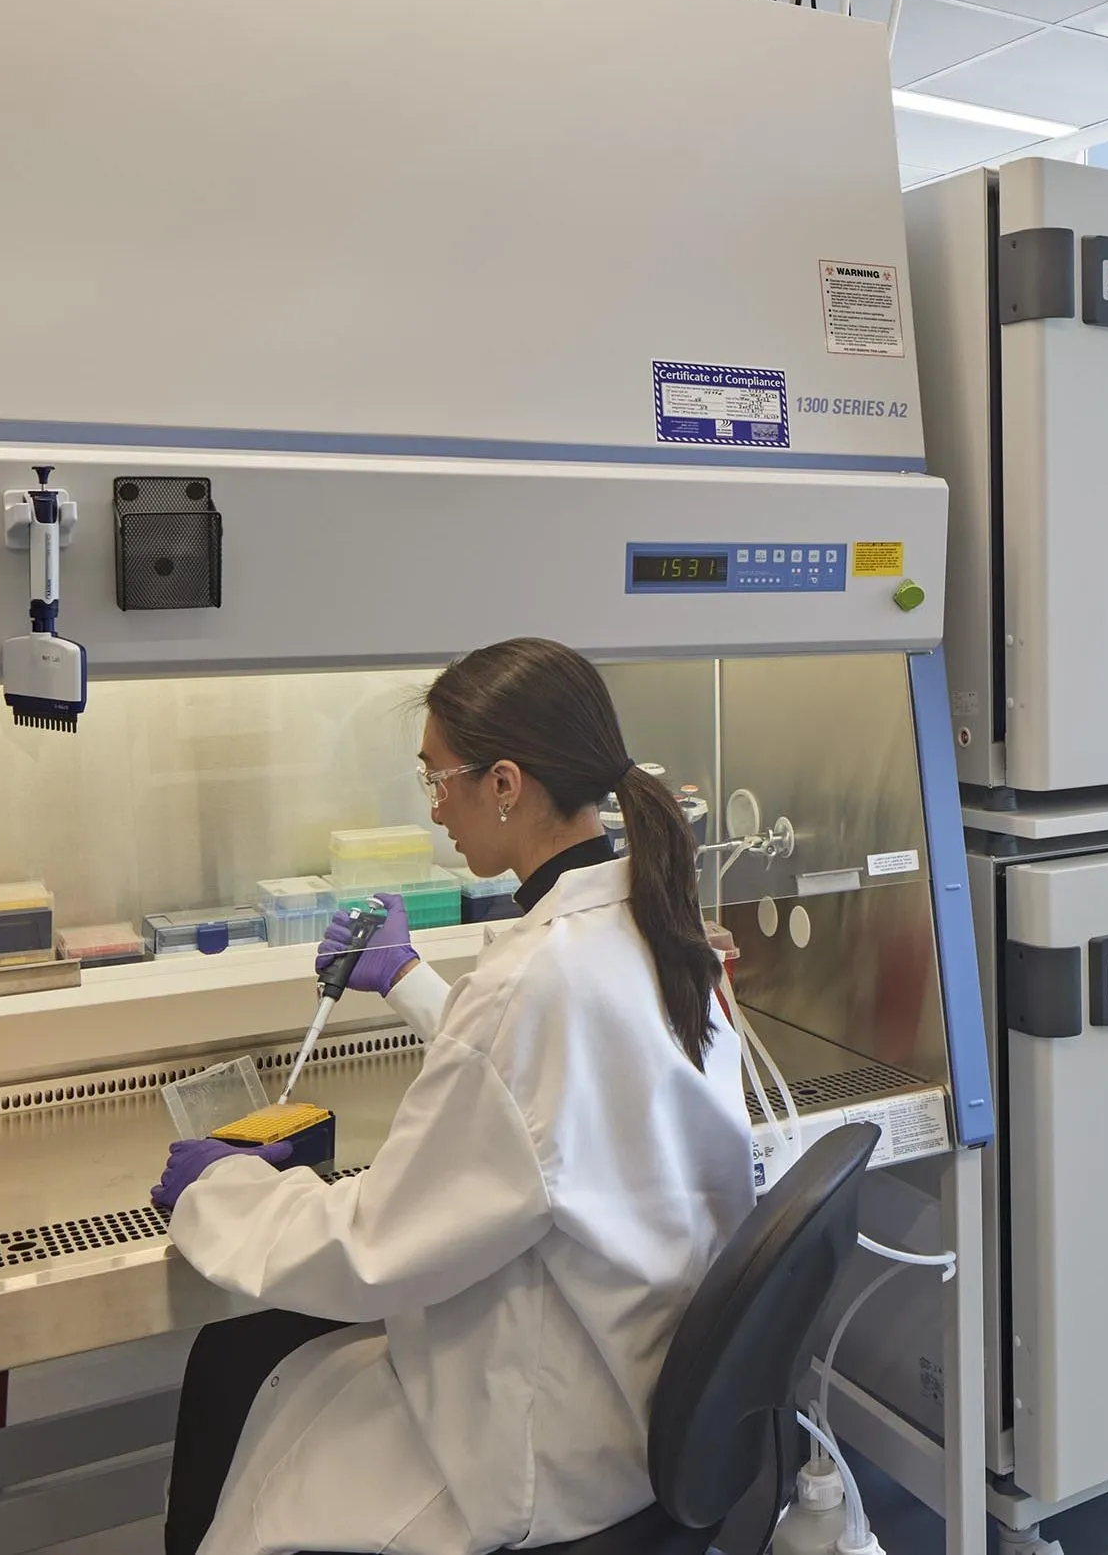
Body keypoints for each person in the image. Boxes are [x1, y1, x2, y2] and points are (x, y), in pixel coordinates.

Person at [151, 639, 754, 1555]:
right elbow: (557, 1102)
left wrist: (222, 1192)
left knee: (265, 1432)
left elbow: (377, 1248)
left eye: (439, 781)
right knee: (258, 1370)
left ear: (505, 783)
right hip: (641, 1389)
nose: (436, 813)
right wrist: (410, 982)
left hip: (549, 1446)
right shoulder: (652, 923)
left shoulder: (537, 983)